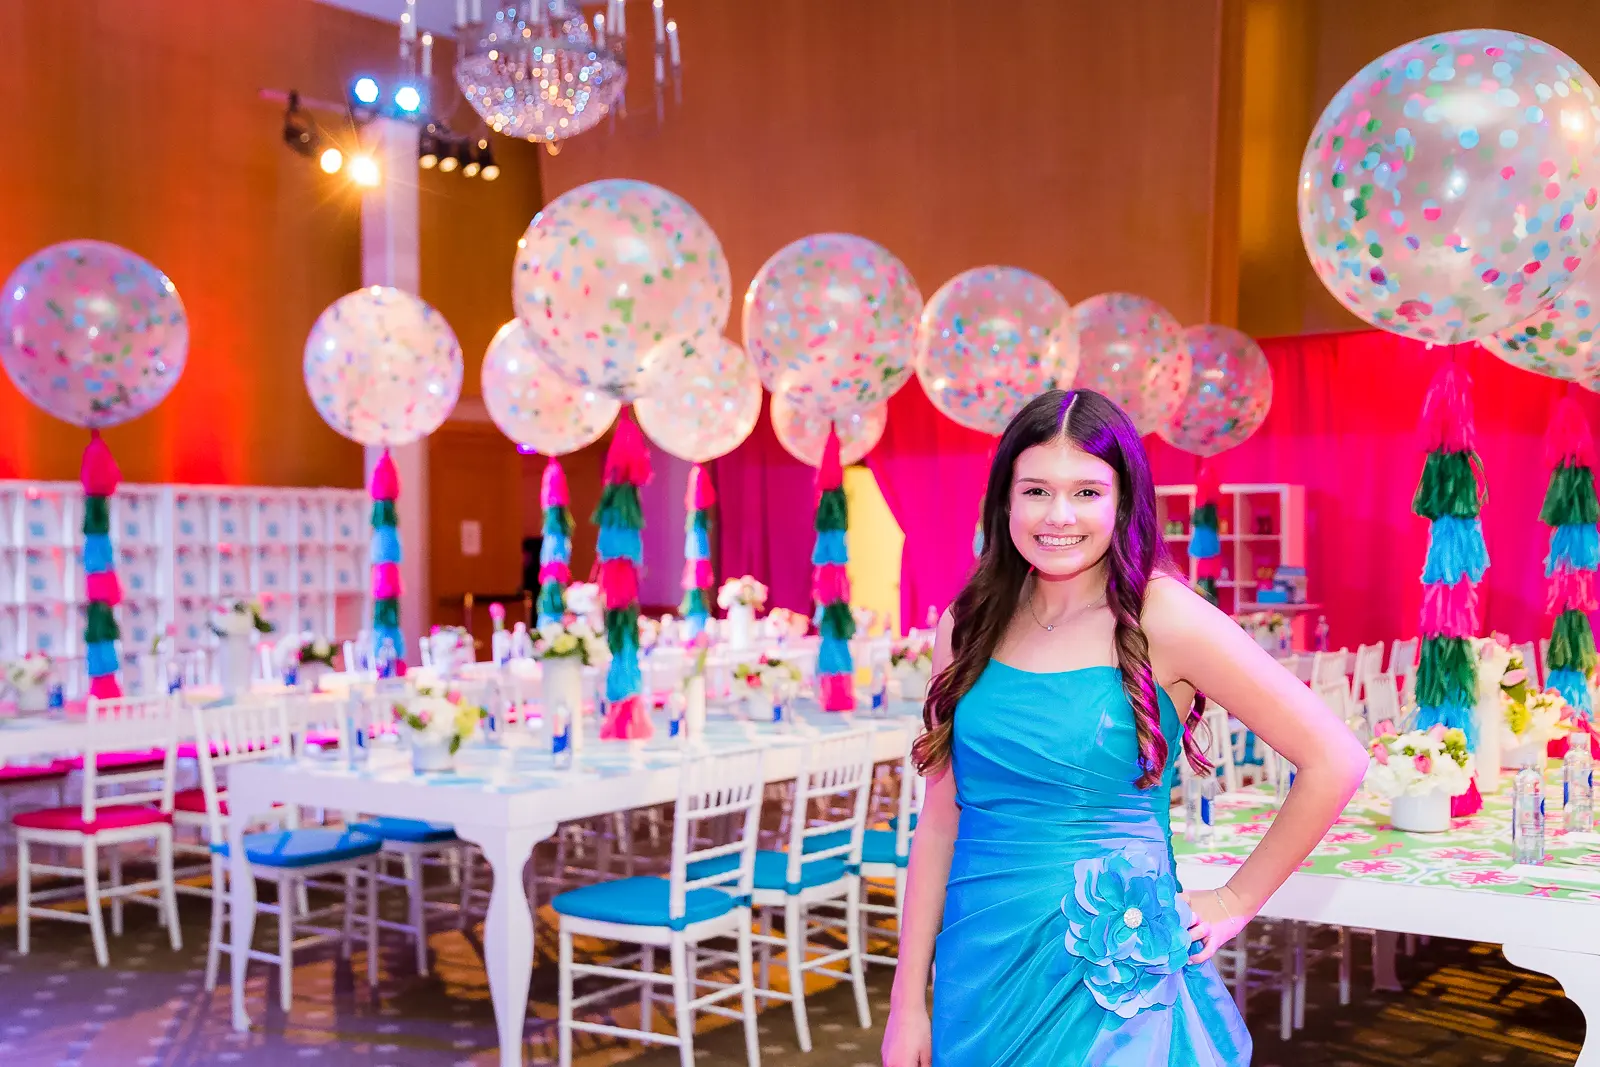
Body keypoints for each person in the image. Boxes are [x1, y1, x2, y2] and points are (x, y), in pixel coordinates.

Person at [881, 390, 1367, 1066]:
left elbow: (1335, 757)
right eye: (1036, 490)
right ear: (1005, 499)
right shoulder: (966, 623)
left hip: (1108, 984)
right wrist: (909, 1001)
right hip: (979, 967)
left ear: (1123, 500)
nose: (1058, 515)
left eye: (1086, 490)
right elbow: (939, 820)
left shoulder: (1163, 615)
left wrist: (1235, 900)